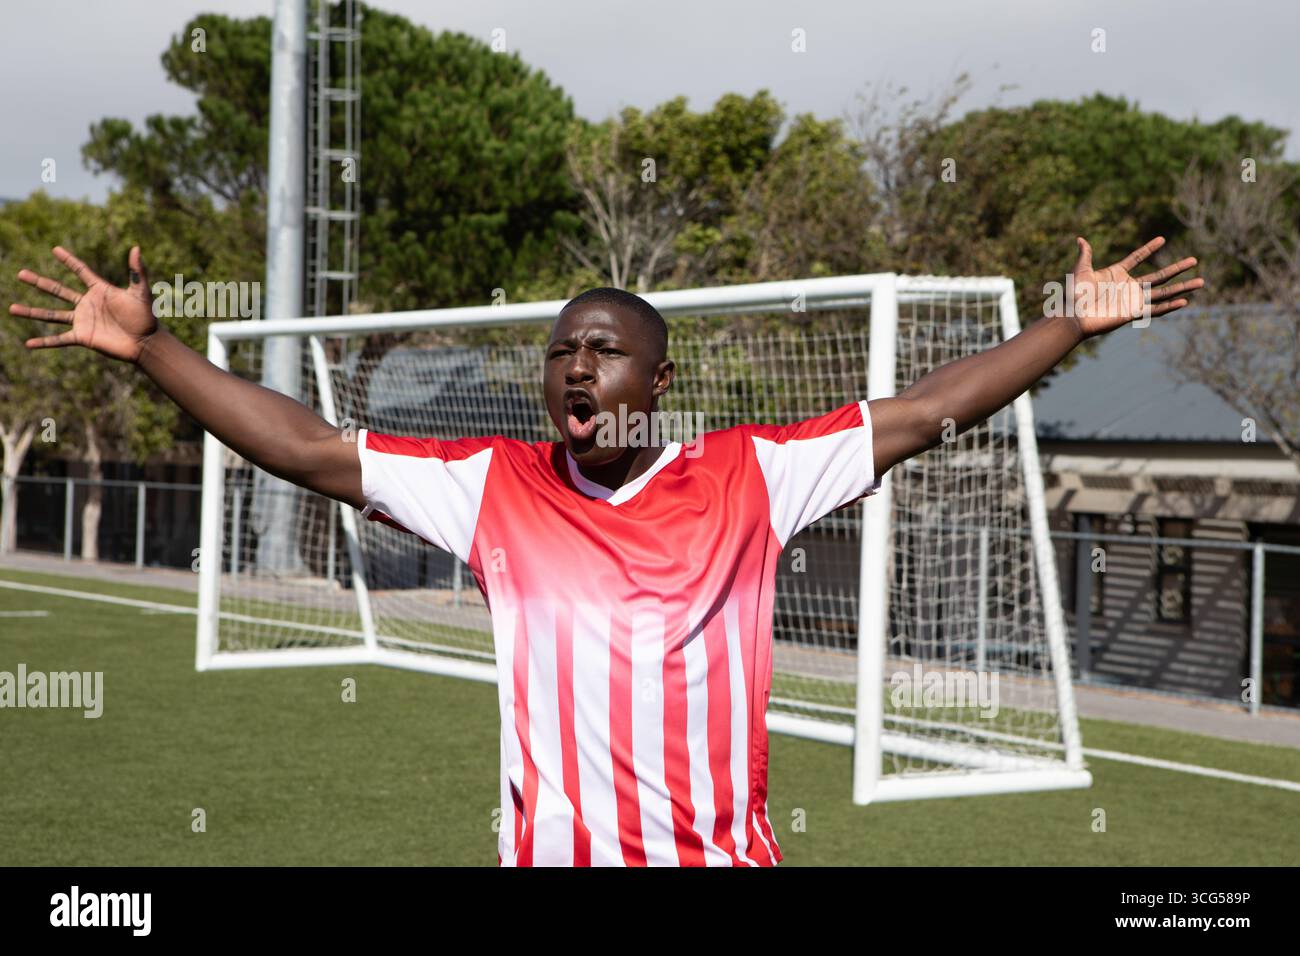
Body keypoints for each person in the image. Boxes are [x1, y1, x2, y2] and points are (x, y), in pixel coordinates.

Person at [8, 237, 1202, 865]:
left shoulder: (750, 475)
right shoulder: (495, 488)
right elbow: (315, 450)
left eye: (605, 350)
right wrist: (155, 345)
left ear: (657, 381)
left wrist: (1062, 324)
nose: (577, 364)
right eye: (561, 349)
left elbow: (925, 408)